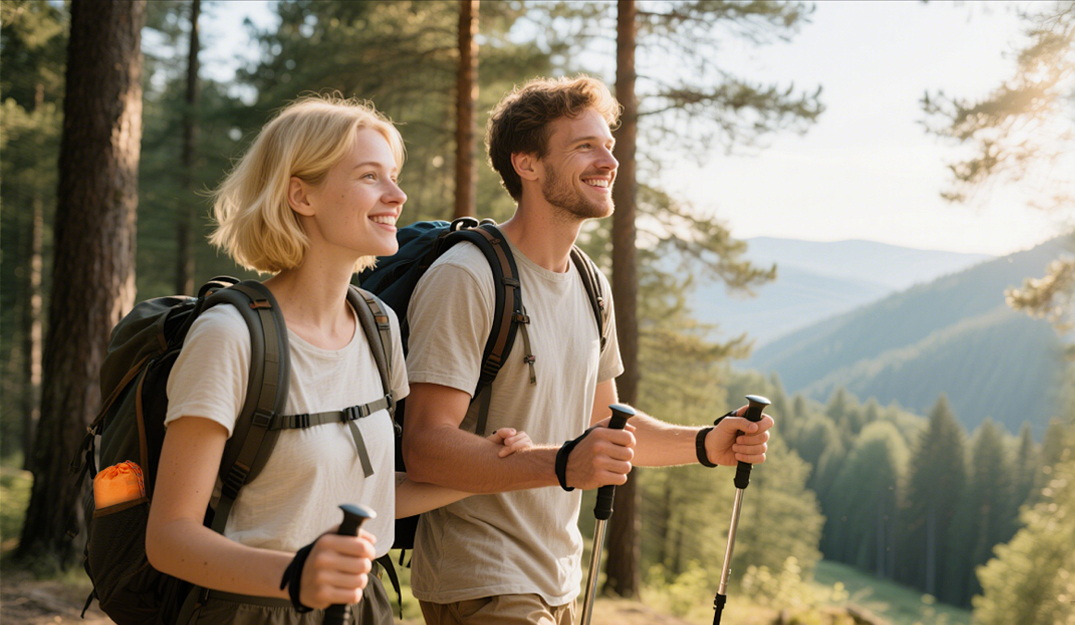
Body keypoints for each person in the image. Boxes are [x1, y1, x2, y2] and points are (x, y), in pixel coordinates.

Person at [401, 75, 776, 625]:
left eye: (609, 145)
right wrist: (561, 463)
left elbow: (607, 425)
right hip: (483, 580)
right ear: (526, 163)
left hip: (560, 582)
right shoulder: (467, 275)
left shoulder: (588, 281)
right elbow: (426, 446)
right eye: (585, 146)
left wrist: (705, 445)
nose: (609, 161)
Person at [145, 96, 530, 624]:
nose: (398, 196)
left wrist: (486, 467)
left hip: (363, 607)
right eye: (371, 176)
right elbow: (170, 538)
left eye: (393, 176)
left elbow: (359, 494)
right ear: (301, 194)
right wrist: (296, 576)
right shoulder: (229, 335)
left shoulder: (378, 325)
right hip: (256, 609)